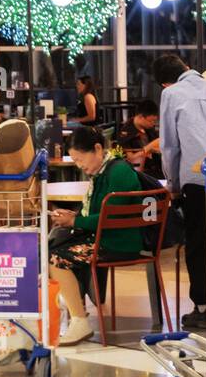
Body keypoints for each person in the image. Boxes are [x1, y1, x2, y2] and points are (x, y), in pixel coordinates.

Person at [154, 53, 206, 331]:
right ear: (186, 68)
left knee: (198, 243)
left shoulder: (172, 94)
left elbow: (170, 146)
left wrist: (173, 184)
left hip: (197, 177)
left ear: (164, 84)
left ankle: (203, 307)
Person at [48, 126, 143, 344]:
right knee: (54, 248)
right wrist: (75, 216)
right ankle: (73, 308)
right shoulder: (107, 171)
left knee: (56, 258)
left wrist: (75, 221)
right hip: (109, 239)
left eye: (81, 159)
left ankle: (79, 320)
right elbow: (101, 214)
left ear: (98, 148)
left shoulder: (117, 172)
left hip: (116, 243)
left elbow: (110, 219)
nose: (80, 166)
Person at [116, 98, 161, 175]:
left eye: (154, 121)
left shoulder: (148, 128)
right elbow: (130, 159)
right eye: (151, 121)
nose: (153, 124)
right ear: (140, 117)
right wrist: (148, 148)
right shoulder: (126, 132)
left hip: (155, 167)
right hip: (139, 172)